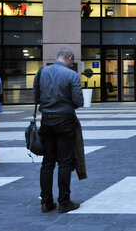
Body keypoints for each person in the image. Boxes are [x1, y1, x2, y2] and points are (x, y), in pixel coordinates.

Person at [34, 48, 83, 213]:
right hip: (65, 120)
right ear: (69, 58)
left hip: (46, 119)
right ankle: (64, 202)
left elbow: (36, 96)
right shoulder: (72, 75)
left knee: (47, 162)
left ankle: (46, 202)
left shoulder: (41, 72)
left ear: (56, 57)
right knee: (65, 162)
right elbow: (78, 101)